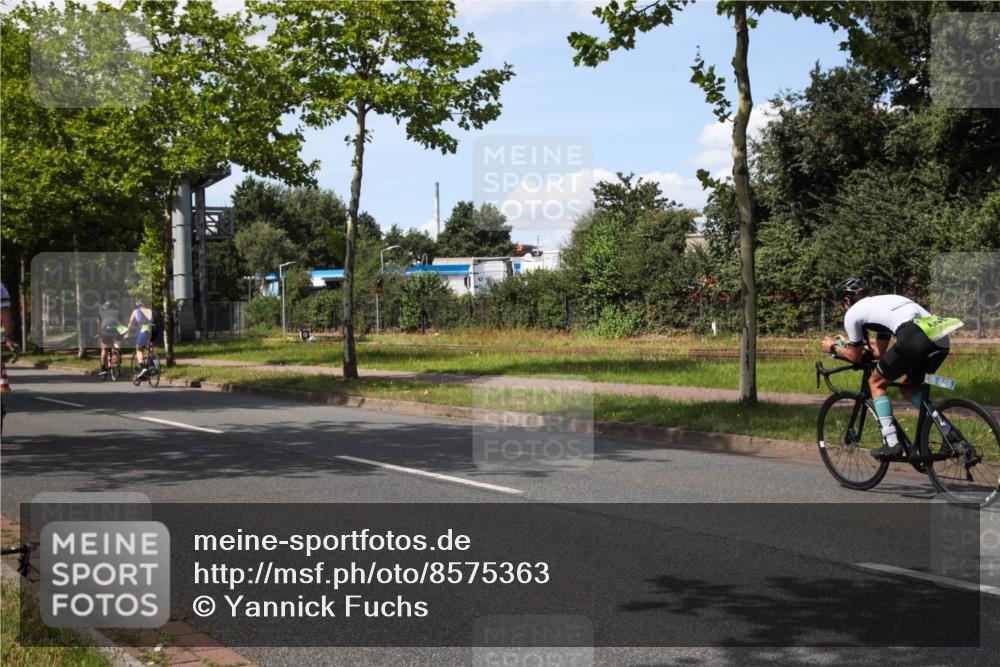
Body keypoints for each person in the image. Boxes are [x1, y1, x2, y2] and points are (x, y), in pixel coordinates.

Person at [822, 276, 963, 459]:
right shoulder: (886, 301)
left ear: (847, 300)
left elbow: (855, 358)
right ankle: (949, 433)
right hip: (940, 338)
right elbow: (879, 353)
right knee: (910, 388)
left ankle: (891, 443)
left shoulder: (852, 313)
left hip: (914, 337)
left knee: (876, 383)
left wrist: (833, 347)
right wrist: (851, 344)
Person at [126, 299, 156, 379]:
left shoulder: (136, 311)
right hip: (153, 331)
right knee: (150, 348)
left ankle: (143, 368)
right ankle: (153, 366)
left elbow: (130, 324)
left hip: (144, 331)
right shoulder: (150, 310)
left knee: (138, 349)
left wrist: (128, 334)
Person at [96, 301, 123, 377]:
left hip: (105, 331)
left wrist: (98, 334)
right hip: (116, 330)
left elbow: (99, 325)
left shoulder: (100, 313)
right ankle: (118, 354)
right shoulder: (118, 312)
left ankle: (103, 368)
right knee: (116, 346)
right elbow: (122, 324)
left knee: (104, 349)